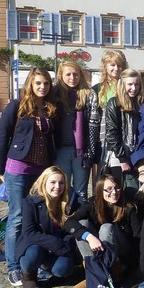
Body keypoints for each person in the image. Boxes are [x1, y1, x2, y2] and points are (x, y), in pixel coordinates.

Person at [0, 67, 58, 287]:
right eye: (38, 83)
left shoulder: (50, 107)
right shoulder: (17, 105)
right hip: (18, 168)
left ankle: (34, 260)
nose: (42, 87)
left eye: (46, 83)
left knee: (39, 216)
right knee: (17, 217)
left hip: (40, 171)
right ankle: (13, 267)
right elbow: (2, 136)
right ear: (31, 83)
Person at [65, 174, 143, 288]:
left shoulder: (129, 207)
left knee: (106, 228)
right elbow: (69, 222)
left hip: (122, 255)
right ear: (100, 191)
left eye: (117, 188)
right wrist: (89, 237)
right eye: (108, 189)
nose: (114, 192)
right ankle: (95, 273)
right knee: (82, 224)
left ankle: (109, 274)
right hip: (98, 251)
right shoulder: (93, 205)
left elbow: (138, 237)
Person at [16, 166, 75, 288]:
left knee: (64, 269)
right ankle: (28, 275)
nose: (57, 186)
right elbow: (29, 232)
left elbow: (71, 229)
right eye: (53, 182)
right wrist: (56, 243)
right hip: (35, 245)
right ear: (44, 182)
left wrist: (66, 244)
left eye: (61, 183)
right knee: (34, 254)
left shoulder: (69, 201)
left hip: (58, 247)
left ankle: (51, 273)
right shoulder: (30, 202)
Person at [53, 60, 99, 205]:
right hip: (61, 150)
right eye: (68, 74)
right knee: (61, 189)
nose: (72, 78)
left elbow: (93, 125)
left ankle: (81, 222)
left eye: (75, 74)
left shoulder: (89, 94)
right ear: (61, 76)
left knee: (81, 191)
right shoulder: (54, 95)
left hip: (81, 151)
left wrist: (90, 153)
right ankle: (63, 223)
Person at [104, 69, 144, 200]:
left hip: (138, 153)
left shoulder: (142, 103)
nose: (134, 88)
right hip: (118, 155)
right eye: (130, 84)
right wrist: (122, 158)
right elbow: (112, 133)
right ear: (122, 85)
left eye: (137, 84)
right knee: (119, 192)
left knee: (138, 193)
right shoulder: (114, 103)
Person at [92, 50, 128, 182]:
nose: (116, 69)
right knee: (103, 177)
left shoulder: (128, 86)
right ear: (105, 66)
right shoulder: (97, 89)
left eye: (119, 65)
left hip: (123, 137)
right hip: (103, 139)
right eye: (112, 65)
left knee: (120, 177)